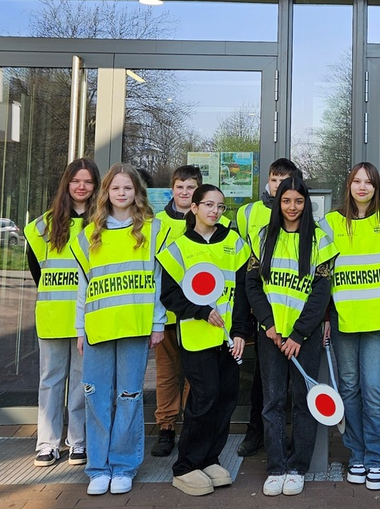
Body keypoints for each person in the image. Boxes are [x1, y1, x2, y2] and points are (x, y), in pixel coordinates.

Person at [71, 163, 168, 496]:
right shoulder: (89, 235)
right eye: (116, 188)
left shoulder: (152, 231)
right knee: (96, 397)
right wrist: (80, 328)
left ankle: (123, 466)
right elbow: (82, 288)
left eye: (128, 188)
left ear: (137, 192)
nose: (122, 193)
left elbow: (158, 283)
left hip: (135, 327)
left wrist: (158, 324)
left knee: (129, 397)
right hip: (98, 328)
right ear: (106, 193)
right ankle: (98, 468)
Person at [318, 162, 380, 491]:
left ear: (376, 188)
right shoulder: (331, 223)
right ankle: (356, 455)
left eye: (368, 182)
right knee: (350, 389)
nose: (362, 187)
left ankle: (376, 459)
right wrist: (326, 316)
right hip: (343, 320)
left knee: (373, 390)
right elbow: (323, 274)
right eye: (356, 181)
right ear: (348, 185)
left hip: (378, 321)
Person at [246, 177, 338, 497]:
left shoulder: (319, 242)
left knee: (303, 401)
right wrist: (269, 324)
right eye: (286, 201)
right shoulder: (262, 237)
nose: (292, 208)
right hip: (271, 335)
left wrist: (299, 333)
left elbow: (321, 292)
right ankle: (275, 467)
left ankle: (298, 466)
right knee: (272, 402)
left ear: (306, 203)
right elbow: (252, 286)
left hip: (305, 337)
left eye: (298, 201)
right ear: (278, 202)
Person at [157, 185, 248, 496]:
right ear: (193, 207)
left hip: (228, 339)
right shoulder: (178, 248)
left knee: (226, 398)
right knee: (204, 398)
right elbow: (169, 295)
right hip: (196, 338)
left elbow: (245, 293)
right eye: (208, 204)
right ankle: (186, 466)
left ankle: (210, 458)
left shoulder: (235, 243)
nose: (215, 211)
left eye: (220, 207)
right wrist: (200, 311)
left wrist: (240, 332)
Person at [25, 158, 100, 468]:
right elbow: (35, 269)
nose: (81, 187)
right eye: (76, 181)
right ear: (66, 184)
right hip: (55, 316)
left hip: (89, 318)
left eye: (88, 182)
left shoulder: (102, 224)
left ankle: (78, 442)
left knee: (84, 382)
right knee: (51, 380)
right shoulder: (41, 225)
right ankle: (47, 443)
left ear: (96, 187)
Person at [151, 165, 230, 457]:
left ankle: (189, 426)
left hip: (203, 318)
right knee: (167, 373)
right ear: (172, 189)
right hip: (168, 315)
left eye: (190, 187)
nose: (184, 192)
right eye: (179, 187)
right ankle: (166, 428)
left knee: (194, 379)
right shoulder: (156, 223)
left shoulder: (220, 224)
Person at [235, 158, 303, 457]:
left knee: (290, 381)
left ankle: (287, 436)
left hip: (293, 313)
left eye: (286, 180)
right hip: (259, 309)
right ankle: (256, 432)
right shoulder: (248, 212)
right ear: (268, 181)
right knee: (262, 380)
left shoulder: (304, 213)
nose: (279, 185)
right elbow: (242, 262)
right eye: (275, 179)